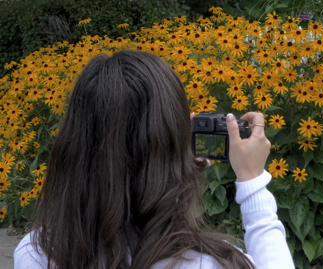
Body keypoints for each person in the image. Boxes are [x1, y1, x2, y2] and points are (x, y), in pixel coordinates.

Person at [14, 50, 294, 269]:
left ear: (73, 145)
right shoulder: (208, 263)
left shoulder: (35, 253)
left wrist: (176, 158)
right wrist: (252, 180)